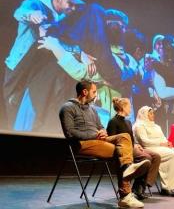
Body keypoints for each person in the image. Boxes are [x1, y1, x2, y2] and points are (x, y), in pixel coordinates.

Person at [4, 0, 84, 132]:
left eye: (75, 5)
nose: (73, 8)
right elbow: (19, 12)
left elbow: (62, 42)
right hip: (19, 67)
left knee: (31, 109)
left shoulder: (61, 18)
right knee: (12, 106)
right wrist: (31, 14)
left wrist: (80, 52)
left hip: (38, 71)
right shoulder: (35, 4)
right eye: (70, 3)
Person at [59, 80, 150, 208]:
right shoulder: (67, 108)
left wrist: (102, 131)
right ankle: (125, 195)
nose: (96, 94)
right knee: (121, 152)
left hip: (98, 140)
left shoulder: (93, 110)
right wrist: (95, 135)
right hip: (82, 143)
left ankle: (127, 168)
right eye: (94, 91)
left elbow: (100, 126)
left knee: (124, 137)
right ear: (85, 92)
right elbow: (69, 132)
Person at [107, 97, 161, 200]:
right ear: (123, 107)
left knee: (156, 156)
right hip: (123, 151)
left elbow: (131, 138)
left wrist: (136, 144)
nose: (131, 109)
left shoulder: (128, 122)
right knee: (147, 158)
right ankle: (139, 188)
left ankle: (143, 184)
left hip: (133, 147)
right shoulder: (113, 121)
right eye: (129, 107)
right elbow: (111, 139)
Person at [133, 106, 174, 196]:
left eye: (153, 113)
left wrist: (167, 143)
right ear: (144, 114)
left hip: (161, 147)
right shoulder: (139, 126)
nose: (153, 115)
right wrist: (161, 143)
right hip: (149, 148)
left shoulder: (156, 126)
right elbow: (144, 141)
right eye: (151, 113)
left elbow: (163, 138)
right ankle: (168, 186)